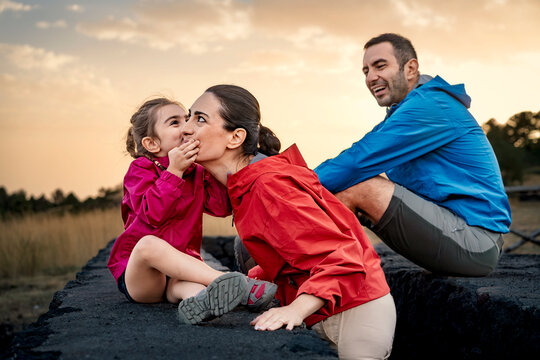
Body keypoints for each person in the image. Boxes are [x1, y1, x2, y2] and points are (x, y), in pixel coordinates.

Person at [183, 85, 396, 359]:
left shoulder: (268, 186)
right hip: (324, 307)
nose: (186, 128)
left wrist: (293, 310)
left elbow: (342, 257)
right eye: (187, 117)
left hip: (354, 315)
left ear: (235, 137)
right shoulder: (246, 186)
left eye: (200, 119)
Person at [314, 33, 511, 277]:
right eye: (365, 71)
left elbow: (356, 161)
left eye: (380, 65)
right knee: (345, 186)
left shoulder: (431, 105)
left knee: (361, 186)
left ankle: (316, 277)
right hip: (452, 232)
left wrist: (291, 184)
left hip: (475, 242)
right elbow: (353, 155)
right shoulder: (404, 113)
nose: (370, 77)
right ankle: (305, 271)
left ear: (411, 68)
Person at [107, 97, 277, 324]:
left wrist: (212, 167)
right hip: (141, 275)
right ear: (152, 144)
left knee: (189, 285)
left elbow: (221, 207)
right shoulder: (141, 169)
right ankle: (241, 284)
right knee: (148, 244)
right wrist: (174, 171)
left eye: (188, 119)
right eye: (175, 123)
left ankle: (199, 303)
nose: (187, 127)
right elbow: (151, 215)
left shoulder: (196, 172)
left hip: (179, 270)